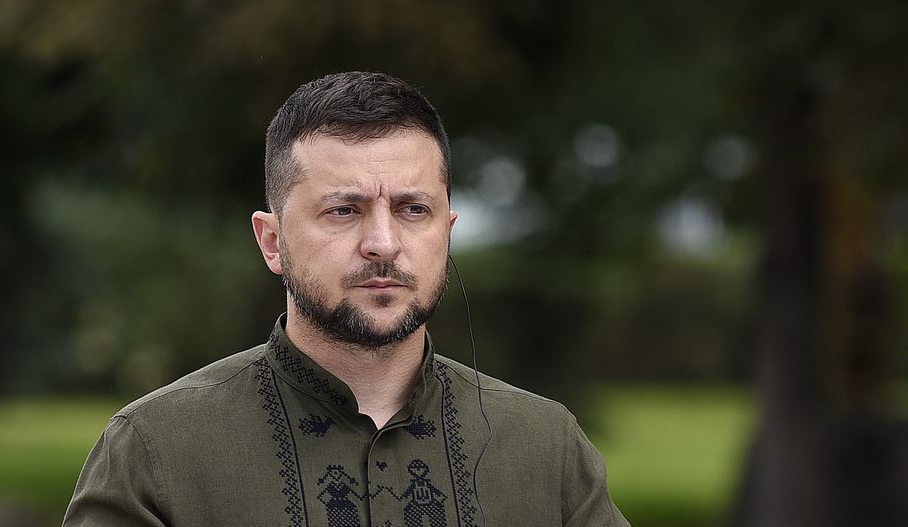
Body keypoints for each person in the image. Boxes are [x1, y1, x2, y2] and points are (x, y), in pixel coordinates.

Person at [63, 71, 629, 527]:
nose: (383, 243)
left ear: (446, 232)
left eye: (413, 209)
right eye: (343, 210)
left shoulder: (544, 448)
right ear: (272, 241)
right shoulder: (157, 453)